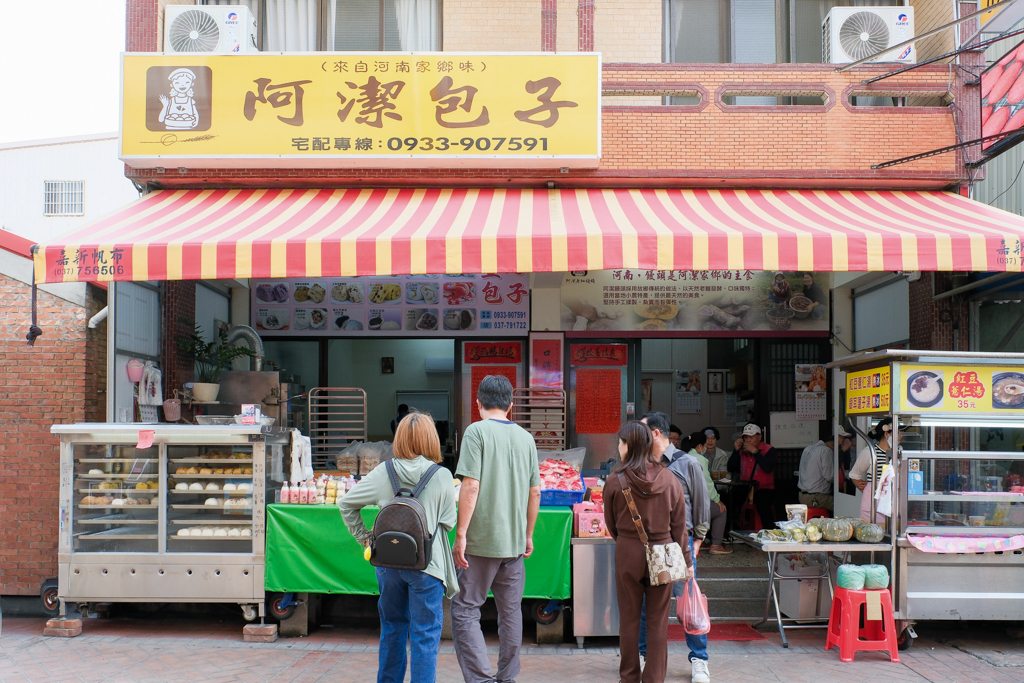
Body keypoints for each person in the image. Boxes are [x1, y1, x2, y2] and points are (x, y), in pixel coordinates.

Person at [339, 412, 458, 683]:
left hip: (389, 563)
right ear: (431, 439)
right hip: (428, 564)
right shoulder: (441, 476)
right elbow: (448, 523)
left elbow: (346, 503)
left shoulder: (384, 471)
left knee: (392, 629)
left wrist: (365, 538)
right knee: (425, 635)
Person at [451, 375, 541, 683]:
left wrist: (461, 533)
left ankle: (479, 679)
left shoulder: (476, 432)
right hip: (514, 544)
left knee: (464, 608)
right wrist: (528, 534)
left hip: (480, 542)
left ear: (477, 404)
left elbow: (471, 485)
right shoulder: (526, 438)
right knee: (511, 612)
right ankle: (507, 677)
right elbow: (535, 492)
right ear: (511, 406)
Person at [603, 421, 692, 683]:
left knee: (629, 620)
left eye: (620, 442)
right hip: (663, 553)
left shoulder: (614, 481)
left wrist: (627, 540)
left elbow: (610, 524)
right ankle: (654, 678)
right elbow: (680, 527)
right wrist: (686, 560)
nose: (619, 447)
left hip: (628, 551)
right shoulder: (669, 479)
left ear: (629, 445)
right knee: (657, 622)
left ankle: (629, 677)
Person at [641, 412, 711, 683]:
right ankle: (644, 657)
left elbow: (702, 502)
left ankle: (699, 661)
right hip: (651, 544)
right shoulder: (642, 464)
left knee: (688, 601)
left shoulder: (687, 462)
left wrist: (698, 540)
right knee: (650, 605)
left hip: (680, 544)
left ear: (656, 434)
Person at [850, 417, 903, 523]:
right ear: (887, 434)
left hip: (892, 500)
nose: (900, 437)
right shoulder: (870, 452)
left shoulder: (899, 452)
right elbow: (854, 474)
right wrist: (863, 487)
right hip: (872, 503)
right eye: (898, 433)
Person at [688, 430, 731, 555]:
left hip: (685, 503)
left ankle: (702, 539)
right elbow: (707, 483)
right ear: (700, 446)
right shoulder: (700, 459)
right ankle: (716, 544)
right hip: (695, 505)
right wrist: (717, 500)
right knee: (721, 510)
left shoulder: (684, 456)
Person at [728, 423, 777, 528]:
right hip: (745, 486)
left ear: (759, 437)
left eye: (751, 437)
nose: (748, 440)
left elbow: (768, 467)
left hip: (764, 488)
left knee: (762, 504)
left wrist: (755, 452)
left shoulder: (768, 449)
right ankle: (733, 530)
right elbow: (732, 468)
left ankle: (770, 531)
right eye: (746, 437)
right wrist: (736, 451)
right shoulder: (742, 450)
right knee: (730, 500)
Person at [797, 438, 835, 511]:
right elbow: (829, 476)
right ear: (833, 446)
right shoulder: (826, 450)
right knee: (841, 505)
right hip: (817, 498)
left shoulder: (807, 449)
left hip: (802, 496)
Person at [837, 426, 855, 494]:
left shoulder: (845, 451)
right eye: (840, 437)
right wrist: (843, 450)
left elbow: (847, 465)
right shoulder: (833, 451)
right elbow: (836, 466)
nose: (842, 439)